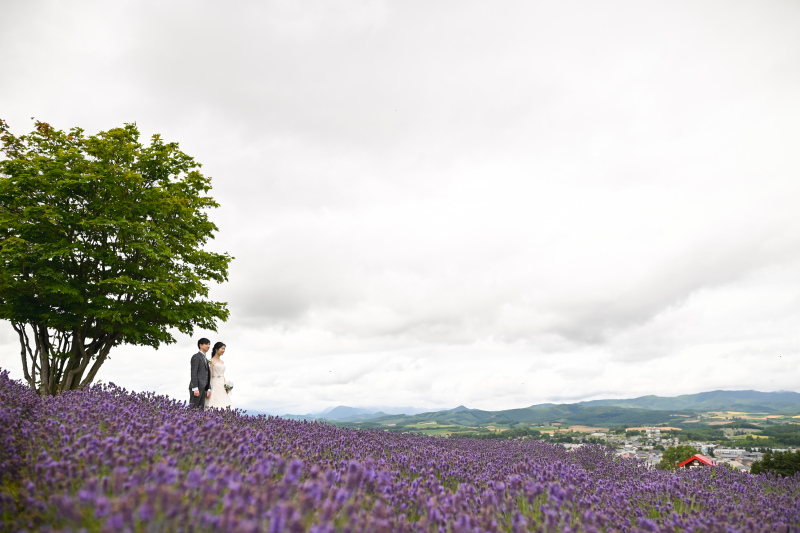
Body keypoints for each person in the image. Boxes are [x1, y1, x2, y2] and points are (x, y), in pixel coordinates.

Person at [206, 341, 233, 409]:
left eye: (224, 349)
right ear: (216, 349)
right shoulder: (211, 361)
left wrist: (226, 386)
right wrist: (207, 388)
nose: (223, 350)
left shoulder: (222, 362)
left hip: (222, 383)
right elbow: (210, 375)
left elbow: (223, 375)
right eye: (222, 348)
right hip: (214, 383)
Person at [189, 338, 212, 409]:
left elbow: (207, 375)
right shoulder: (196, 356)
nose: (208, 346)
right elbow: (194, 373)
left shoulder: (205, 358)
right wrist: (195, 388)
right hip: (197, 388)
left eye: (209, 344)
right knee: (192, 410)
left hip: (203, 388)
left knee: (200, 411)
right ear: (200, 345)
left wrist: (208, 388)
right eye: (206, 344)